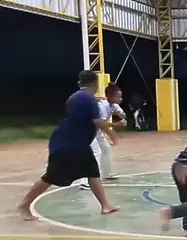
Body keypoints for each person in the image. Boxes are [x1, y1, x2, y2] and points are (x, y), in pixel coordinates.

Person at [17, 70, 119, 221]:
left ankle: (105, 205)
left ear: (79, 83)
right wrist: (112, 134)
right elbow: (97, 121)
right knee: (51, 176)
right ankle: (24, 205)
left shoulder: (76, 97)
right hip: (68, 144)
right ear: (96, 83)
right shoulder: (88, 99)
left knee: (92, 172)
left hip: (75, 143)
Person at [78, 83, 127, 189]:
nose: (120, 99)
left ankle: (106, 174)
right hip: (87, 130)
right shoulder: (103, 106)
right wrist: (116, 125)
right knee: (96, 153)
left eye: (120, 96)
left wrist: (120, 114)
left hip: (96, 131)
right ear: (109, 96)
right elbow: (101, 123)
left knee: (106, 149)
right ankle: (85, 181)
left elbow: (123, 115)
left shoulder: (113, 105)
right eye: (118, 96)